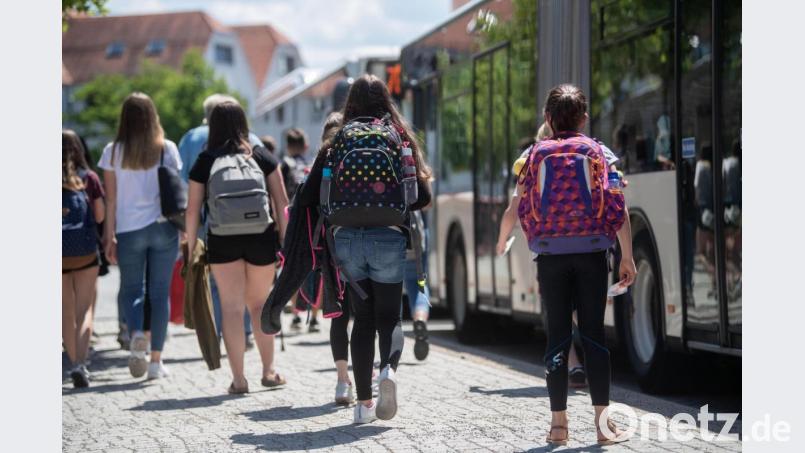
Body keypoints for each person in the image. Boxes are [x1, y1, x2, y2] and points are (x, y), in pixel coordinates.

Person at [512, 84, 636, 445]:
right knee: (594, 336)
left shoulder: (534, 154)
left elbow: (521, 204)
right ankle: (602, 426)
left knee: (557, 338)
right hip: (593, 253)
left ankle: (558, 427)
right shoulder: (598, 152)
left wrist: (539, 238)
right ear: (583, 118)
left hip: (550, 255)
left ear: (548, 119)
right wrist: (627, 255)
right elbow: (618, 204)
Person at [185, 101, 290, 394]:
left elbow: (192, 210)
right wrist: (286, 241)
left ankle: (239, 380)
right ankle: (269, 371)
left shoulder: (205, 160)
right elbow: (282, 203)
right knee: (259, 305)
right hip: (261, 237)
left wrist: (190, 247)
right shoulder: (262, 156)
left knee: (231, 309)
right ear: (244, 124)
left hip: (222, 239)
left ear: (212, 126)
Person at [99, 92, 180, 380]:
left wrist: (109, 236)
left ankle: (135, 335)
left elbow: (110, 199)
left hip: (128, 230)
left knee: (132, 291)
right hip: (163, 228)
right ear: (153, 117)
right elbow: (175, 190)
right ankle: (156, 362)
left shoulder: (112, 151)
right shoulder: (166, 148)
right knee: (160, 294)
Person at [178, 94, 259, 348]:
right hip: (253, 222)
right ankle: (245, 332)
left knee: (214, 280)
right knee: (246, 280)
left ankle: (221, 331)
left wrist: (189, 237)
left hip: (209, 220)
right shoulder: (252, 140)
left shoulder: (192, 139)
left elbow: (183, 180)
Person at [63, 130, 106, 388]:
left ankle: (72, 364)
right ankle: (81, 363)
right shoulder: (88, 178)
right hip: (85, 252)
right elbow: (99, 217)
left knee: (64, 313)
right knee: (84, 309)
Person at [282, 127, 321, 333]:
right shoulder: (311, 164)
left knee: (293, 268)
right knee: (315, 268)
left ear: (288, 145)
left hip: (293, 223)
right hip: (314, 222)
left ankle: (297, 314)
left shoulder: (285, 165)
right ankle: (314, 317)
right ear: (305, 145)